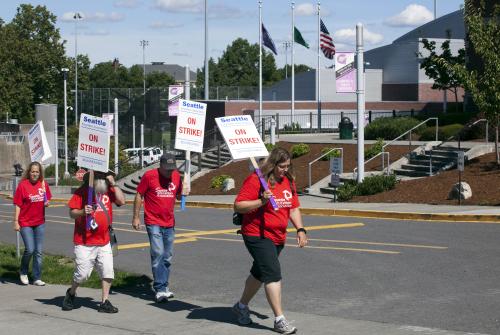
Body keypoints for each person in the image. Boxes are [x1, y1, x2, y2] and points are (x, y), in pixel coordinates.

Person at [232, 148, 308, 334]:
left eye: (287, 166)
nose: (284, 170)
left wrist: (300, 229)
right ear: (273, 164)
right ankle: (279, 319)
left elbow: (293, 208)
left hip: (278, 236)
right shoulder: (257, 180)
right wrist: (261, 201)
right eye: (281, 166)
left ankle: (241, 306)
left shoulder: (288, 181)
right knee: (272, 274)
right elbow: (238, 205)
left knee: (259, 273)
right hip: (257, 235)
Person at [62, 170, 125, 313]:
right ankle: (71, 293)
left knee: (108, 271)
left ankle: (105, 301)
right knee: (82, 274)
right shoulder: (82, 191)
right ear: (93, 179)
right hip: (84, 242)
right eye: (101, 178)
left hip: (104, 241)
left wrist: (114, 184)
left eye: (105, 178)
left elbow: (121, 201)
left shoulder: (109, 190)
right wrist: (82, 212)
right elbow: (71, 213)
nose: (103, 180)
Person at [132, 152, 185, 302]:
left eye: (172, 168)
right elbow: (139, 195)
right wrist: (136, 217)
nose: (170, 172)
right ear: (160, 166)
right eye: (167, 169)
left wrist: (186, 191)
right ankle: (160, 288)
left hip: (169, 222)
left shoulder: (176, 176)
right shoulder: (149, 176)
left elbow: (180, 196)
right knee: (158, 253)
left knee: (167, 256)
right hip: (153, 221)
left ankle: (164, 286)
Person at [13, 161, 52, 286]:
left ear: (39, 173)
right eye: (33, 171)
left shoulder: (43, 185)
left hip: (39, 222)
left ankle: (36, 277)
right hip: (25, 222)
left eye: (37, 171)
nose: (35, 174)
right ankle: (23, 271)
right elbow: (18, 204)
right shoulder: (23, 185)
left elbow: (47, 199)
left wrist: (47, 202)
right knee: (30, 249)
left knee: (38, 251)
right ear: (29, 172)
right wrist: (16, 221)